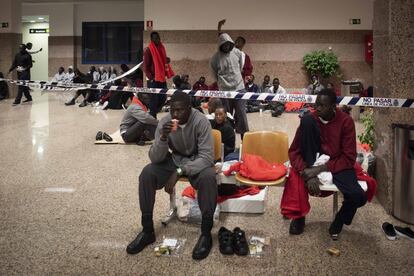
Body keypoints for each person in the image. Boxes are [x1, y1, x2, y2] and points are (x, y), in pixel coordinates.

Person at [126, 92, 217, 261]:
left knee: (208, 178)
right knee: (147, 173)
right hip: (175, 158)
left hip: (196, 160)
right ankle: (147, 231)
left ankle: (206, 234)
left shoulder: (201, 121)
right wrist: (162, 138)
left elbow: (207, 157)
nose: (175, 114)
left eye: (180, 110)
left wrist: (180, 171)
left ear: (189, 109)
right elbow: (155, 158)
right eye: (173, 110)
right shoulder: (165, 121)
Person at [280, 89, 367, 239]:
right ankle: (299, 217)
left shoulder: (346, 122)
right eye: (317, 104)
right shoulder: (310, 120)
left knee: (357, 196)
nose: (317, 108)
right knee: (306, 121)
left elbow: (349, 157)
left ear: (333, 106)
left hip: (336, 162)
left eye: (322, 105)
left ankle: (340, 218)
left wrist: (318, 170)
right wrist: (307, 172)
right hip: (311, 159)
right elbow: (294, 151)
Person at [211, 19, 249, 140]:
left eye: (228, 44)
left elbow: (241, 65)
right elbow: (214, 73)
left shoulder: (237, 53)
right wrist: (222, 83)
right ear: (221, 45)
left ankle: (245, 138)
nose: (227, 46)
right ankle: (228, 138)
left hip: (239, 88)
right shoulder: (215, 58)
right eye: (224, 44)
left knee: (241, 114)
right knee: (226, 115)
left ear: (231, 43)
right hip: (225, 91)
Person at [143, 31, 174, 118]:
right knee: (154, 100)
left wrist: (166, 60)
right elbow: (146, 67)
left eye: (158, 38)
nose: (157, 39)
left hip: (161, 78)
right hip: (153, 79)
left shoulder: (161, 48)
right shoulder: (148, 50)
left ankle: (152, 113)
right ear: (152, 39)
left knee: (163, 97)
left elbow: (162, 61)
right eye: (155, 38)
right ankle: (153, 118)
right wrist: (151, 78)